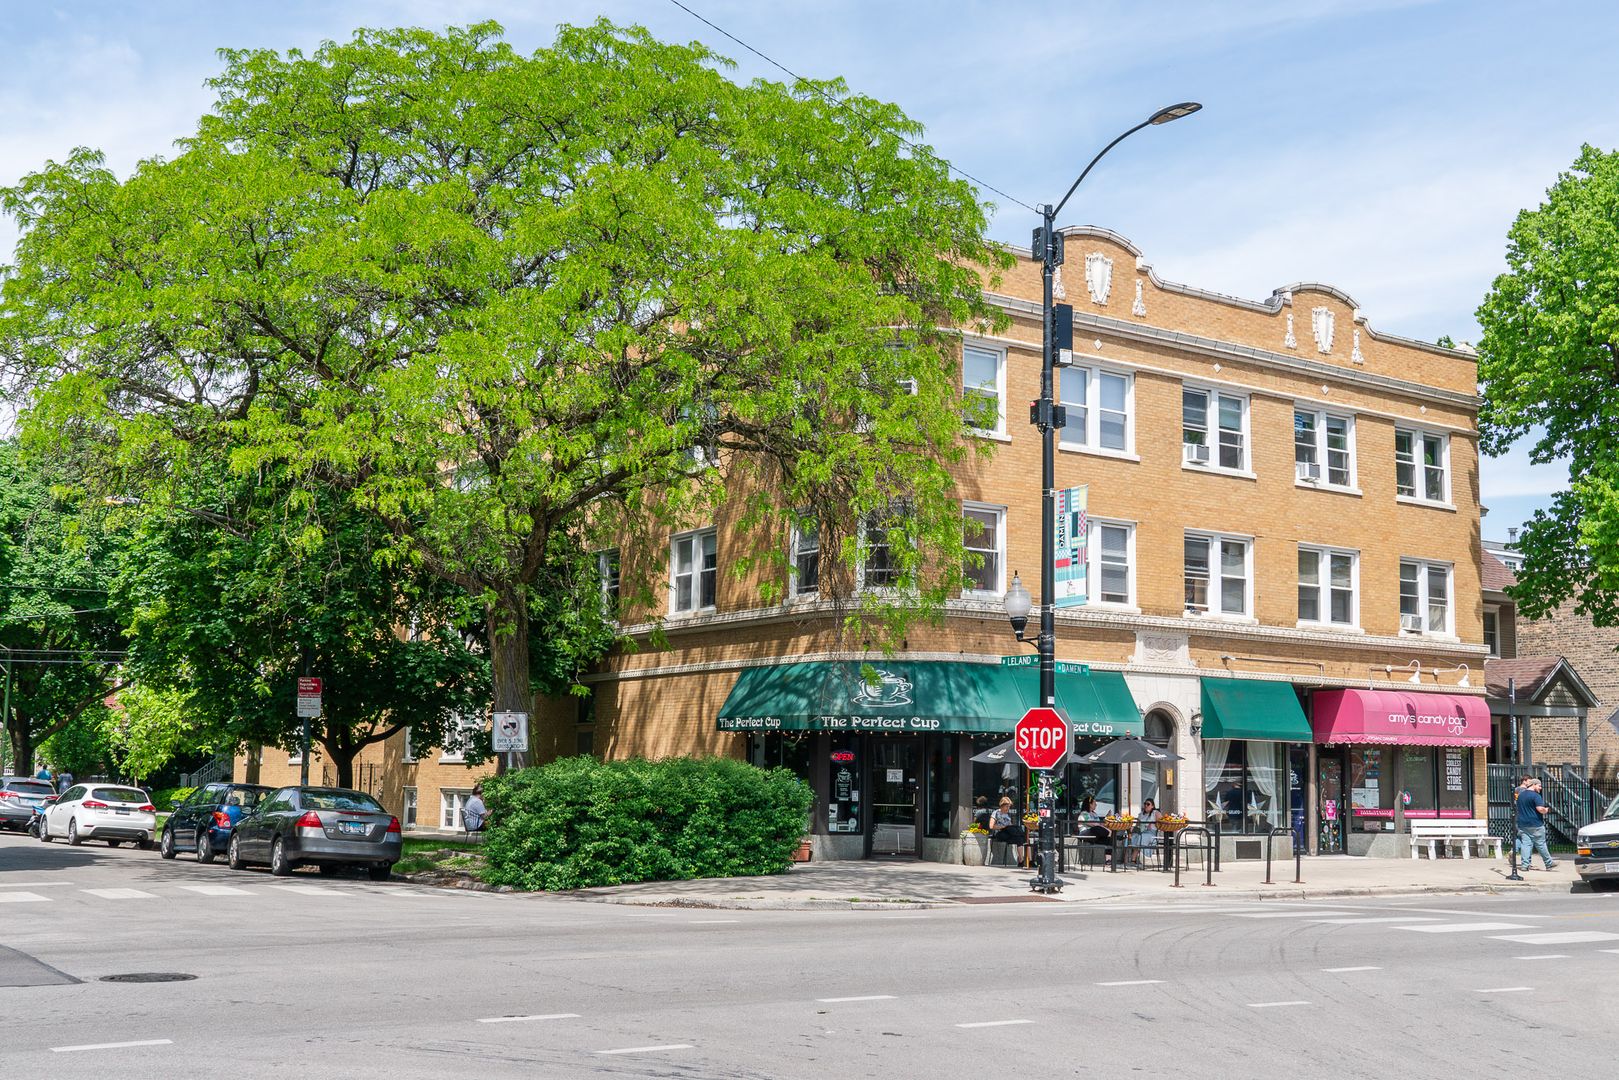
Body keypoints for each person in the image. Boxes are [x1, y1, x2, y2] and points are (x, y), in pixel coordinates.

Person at [1514, 778, 1555, 870]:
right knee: (1541, 844)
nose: (1540, 788)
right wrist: (1546, 810)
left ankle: (1524, 865)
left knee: (1526, 844)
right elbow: (1540, 809)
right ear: (1534, 785)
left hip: (1522, 823)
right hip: (1535, 824)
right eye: (1539, 786)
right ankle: (1549, 863)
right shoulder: (1536, 796)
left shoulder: (1520, 796)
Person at [988, 796, 1022, 867]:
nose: (1008, 808)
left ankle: (1021, 860)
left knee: (1019, 839)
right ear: (1002, 806)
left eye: (1009, 807)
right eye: (1007, 806)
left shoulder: (1007, 814)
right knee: (1014, 831)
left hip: (1008, 833)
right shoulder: (996, 813)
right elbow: (991, 826)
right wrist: (1003, 827)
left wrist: (1011, 827)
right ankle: (1022, 835)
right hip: (1000, 833)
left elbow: (1010, 826)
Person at [1130, 798, 1161, 867]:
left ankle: (1134, 859)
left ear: (1152, 806)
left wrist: (1153, 824)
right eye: (1145, 804)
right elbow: (1137, 825)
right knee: (1134, 836)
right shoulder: (1141, 814)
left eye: (1148, 804)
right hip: (1142, 832)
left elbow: (1161, 824)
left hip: (1151, 833)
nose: (1146, 805)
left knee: (1141, 837)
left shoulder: (1155, 813)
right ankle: (1132, 859)